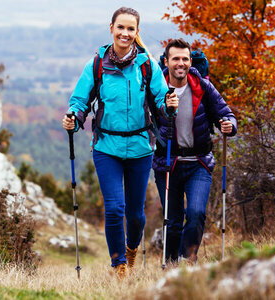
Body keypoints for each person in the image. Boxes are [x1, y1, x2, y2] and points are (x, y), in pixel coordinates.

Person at [62, 7, 177, 276]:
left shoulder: (146, 64)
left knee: (135, 215)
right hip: (106, 147)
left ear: (137, 33)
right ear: (111, 28)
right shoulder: (97, 64)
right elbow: (80, 100)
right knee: (114, 209)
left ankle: (131, 249)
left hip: (140, 147)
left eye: (131, 29)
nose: (125, 33)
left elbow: (161, 99)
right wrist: (74, 119)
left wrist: (169, 104)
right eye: (121, 27)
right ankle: (118, 266)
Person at [153, 38, 237, 263]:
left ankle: (188, 261)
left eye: (185, 59)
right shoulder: (156, 87)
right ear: (166, 61)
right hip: (167, 163)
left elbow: (225, 113)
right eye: (175, 59)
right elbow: (144, 118)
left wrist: (228, 125)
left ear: (191, 61)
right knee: (172, 222)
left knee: (196, 214)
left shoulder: (202, 86)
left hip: (198, 162)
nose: (180, 63)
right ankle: (171, 266)